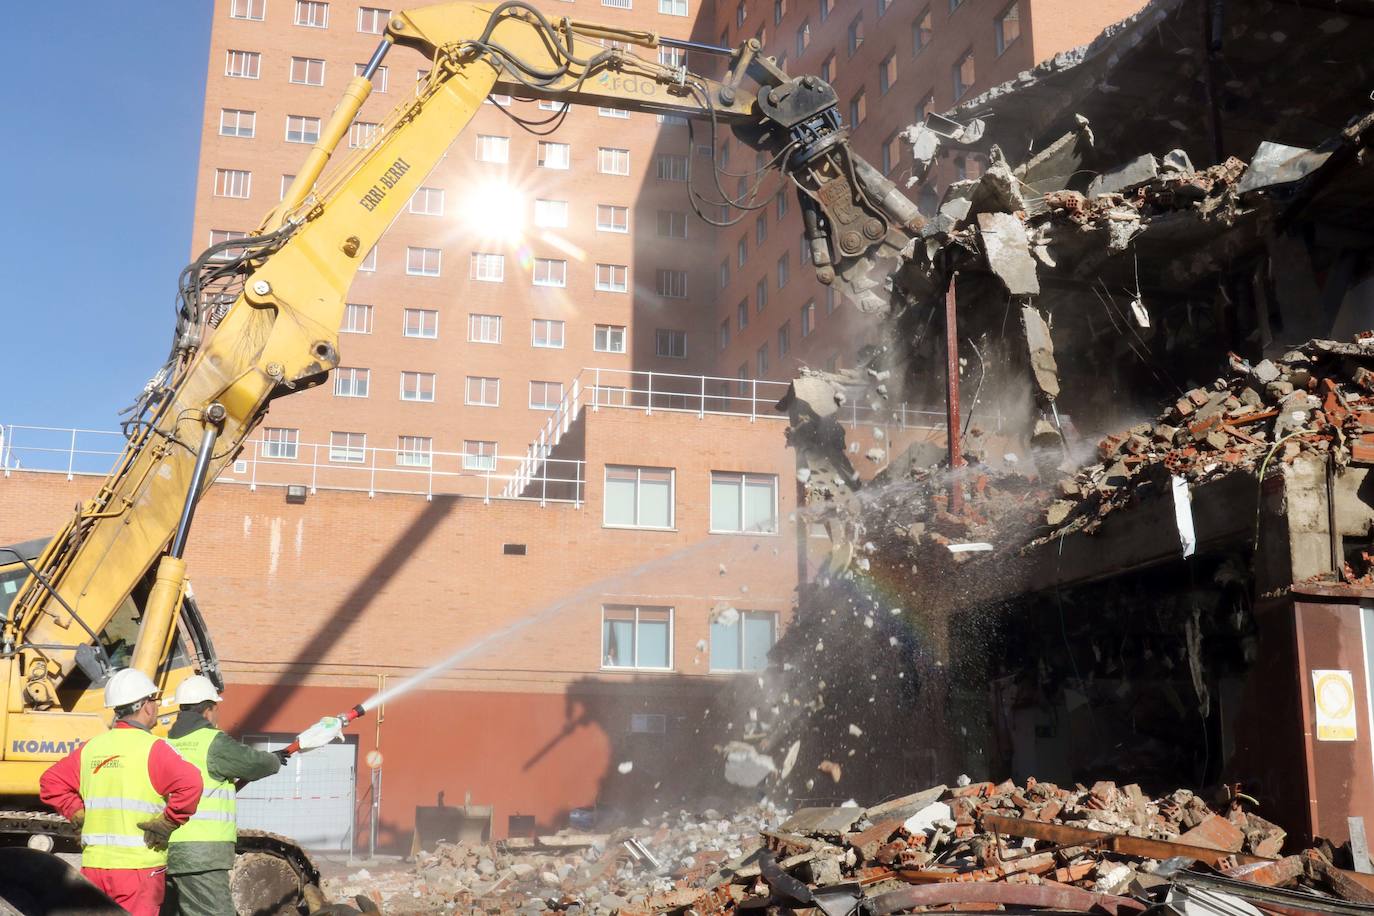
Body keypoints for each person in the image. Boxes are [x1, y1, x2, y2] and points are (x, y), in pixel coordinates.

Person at [39, 668, 203, 916]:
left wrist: (76, 812)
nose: (156, 707)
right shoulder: (154, 749)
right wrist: (169, 821)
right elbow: (192, 783)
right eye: (154, 701)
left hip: (95, 867)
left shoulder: (91, 748)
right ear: (146, 706)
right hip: (139, 870)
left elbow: (50, 782)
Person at [165, 675, 285, 916]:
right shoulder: (212, 742)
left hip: (168, 849)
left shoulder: (165, 743)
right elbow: (253, 763)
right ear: (208, 711)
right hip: (202, 854)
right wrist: (275, 759)